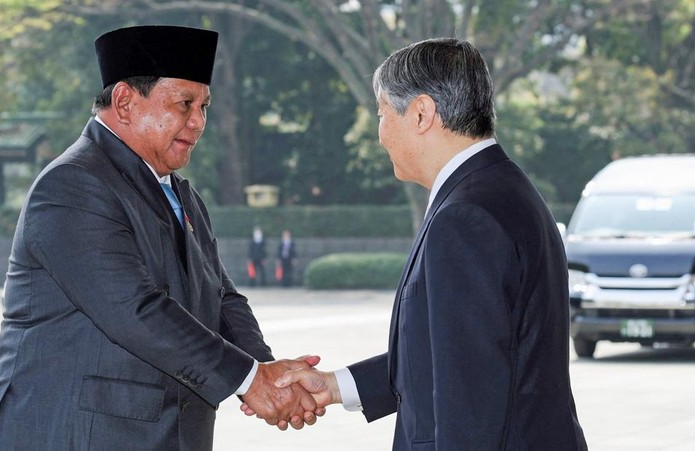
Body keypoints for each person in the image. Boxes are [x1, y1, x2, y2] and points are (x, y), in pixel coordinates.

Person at [0, 25, 320, 450]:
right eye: (184, 104)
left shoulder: (178, 191)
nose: (198, 121)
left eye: (204, 107)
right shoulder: (72, 184)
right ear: (124, 102)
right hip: (70, 434)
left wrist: (270, 372)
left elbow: (222, 298)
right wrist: (251, 380)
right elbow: (134, 309)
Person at [248, 38, 589, 449]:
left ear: (422, 113)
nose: (380, 134)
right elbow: (457, 356)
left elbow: (470, 406)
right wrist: (336, 385)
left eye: (383, 114)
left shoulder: (466, 217)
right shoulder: (500, 190)